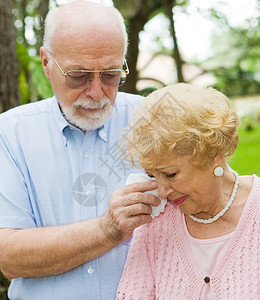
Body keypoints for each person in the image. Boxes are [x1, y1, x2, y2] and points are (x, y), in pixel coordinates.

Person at [0, 1, 161, 299]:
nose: (97, 93)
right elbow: (8, 256)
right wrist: (108, 230)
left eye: (111, 75)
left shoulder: (153, 119)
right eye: (79, 76)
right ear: (47, 63)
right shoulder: (9, 133)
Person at [117, 83, 260, 299]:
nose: (162, 192)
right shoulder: (155, 221)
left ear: (214, 155)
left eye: (171, 174)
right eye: (152, 175)